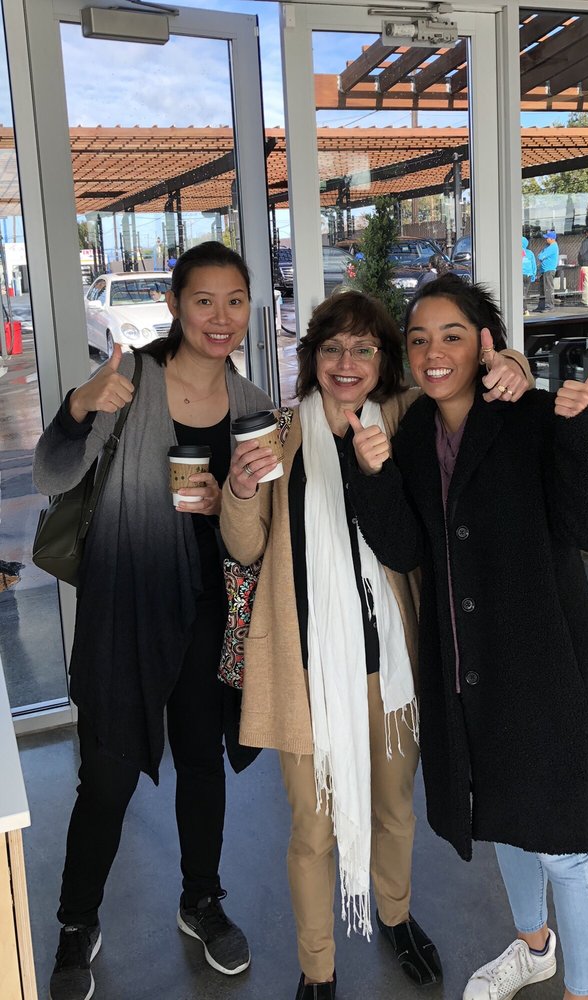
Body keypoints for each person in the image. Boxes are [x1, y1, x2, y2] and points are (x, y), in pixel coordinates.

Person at [219, 290, 532, 1000]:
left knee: (395, 808)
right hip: (306, 672)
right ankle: (318, 968)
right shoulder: (278, 435)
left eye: (364, 349)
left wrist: (509, 364)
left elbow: (467, 397)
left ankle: (394, 915)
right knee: (312, 829)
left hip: (390, 664)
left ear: (384, 360)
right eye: (332, 348)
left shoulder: (403, 418)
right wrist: (238, 493)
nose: (347, 362)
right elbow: (246, 546)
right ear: (312, 358)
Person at [347, 274, 588, 1000]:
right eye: (420, 339)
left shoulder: (530, 416)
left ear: (485, 343)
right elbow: (405, 547)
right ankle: (534, 949)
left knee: (562, 846)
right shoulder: (412, 434)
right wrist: (371, 474)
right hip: (466, 668)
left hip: (544, 664)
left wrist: (580, 428)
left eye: (452, 336)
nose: (434, 353)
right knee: (503, 818)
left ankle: (584, 992)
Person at [35, 241, 274, 1000]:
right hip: (126, 608)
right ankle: (77, 922)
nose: (221, 317)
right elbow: (52, 470)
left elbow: (259, 530)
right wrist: (79, 405)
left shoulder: (252, 403)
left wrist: (234, 503)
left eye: (235, 301)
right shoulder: (129, 382)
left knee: (201, 763)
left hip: (209, 611)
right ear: (174, 304)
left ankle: (201, 899)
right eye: (204, 300)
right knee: (106, 775)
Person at [536, 230, 559, 312]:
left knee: (548, 289)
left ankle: (550, 306)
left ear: (552, 239)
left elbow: (540, 256)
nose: (546, 239)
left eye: (547, 238)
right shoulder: (548, 246)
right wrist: (541, 255)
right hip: (544, 270)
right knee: (542, 289)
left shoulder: (553, 247)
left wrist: (542, 255)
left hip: (549, 270)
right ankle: (541, 306)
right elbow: (540, 255)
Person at [521, 236, 537, 315]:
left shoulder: (517, 252)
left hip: (521, 275)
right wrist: (534, 274)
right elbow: (534, 264)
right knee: (525, 293)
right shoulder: (530, 253)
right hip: (529, 275)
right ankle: (524, 310)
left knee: (521, 293)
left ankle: (525, 310)